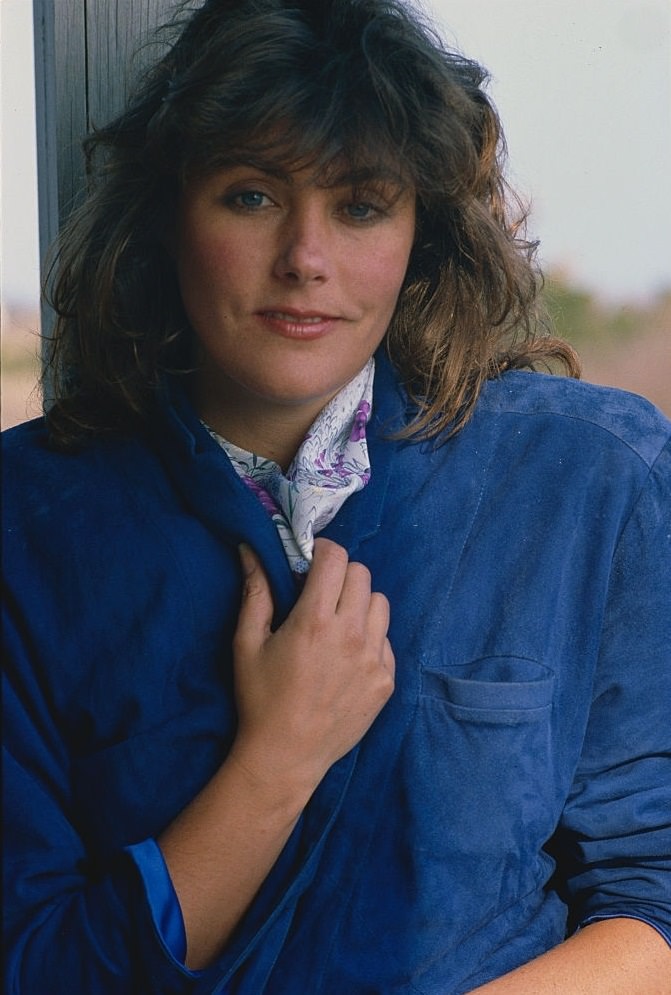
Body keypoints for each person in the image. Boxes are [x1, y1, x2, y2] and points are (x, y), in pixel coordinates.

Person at [3, 0, 670, 991]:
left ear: (420, 237)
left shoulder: (584, 476)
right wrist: (276, 760)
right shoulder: (29, 524)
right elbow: (35, 963)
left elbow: (651, 898)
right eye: (251, 196)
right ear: (167, 213)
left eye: (359, 205)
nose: (305, 258)